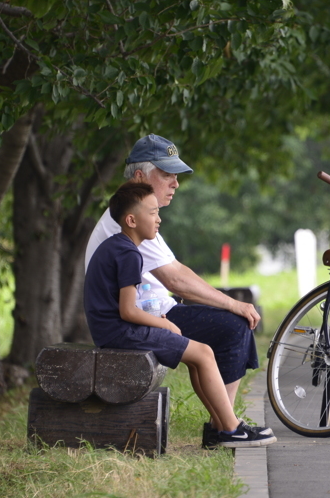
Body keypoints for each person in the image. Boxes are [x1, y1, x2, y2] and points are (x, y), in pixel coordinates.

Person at [85, 134, 270, 449]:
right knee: (233, 327)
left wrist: (230, 304)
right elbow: (176, 280)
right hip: (140, 320)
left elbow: (175, 272)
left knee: (225, 331)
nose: (176, 183)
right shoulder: (127, 231)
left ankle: (223, 425)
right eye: (167, 174)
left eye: (176, 176)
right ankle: (226, 427)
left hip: (146, 314)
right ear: (141, 177)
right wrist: (234, 305)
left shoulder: (135, 220)